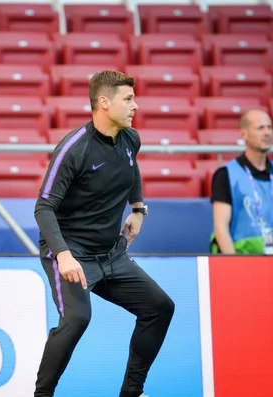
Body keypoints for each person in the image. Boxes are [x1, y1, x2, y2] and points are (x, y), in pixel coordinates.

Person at [33, 70, 175, 397]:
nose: (135, 106)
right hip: (71, 254)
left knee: (160, 308)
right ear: (104, 102)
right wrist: (64, 255)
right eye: (128, 99)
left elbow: (131, 169)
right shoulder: (73, 148)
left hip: (112, 253)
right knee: (77, 320)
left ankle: (132, 393)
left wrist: (138, 208)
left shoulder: (131, 138)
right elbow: (43, 208)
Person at [210, 109, 273, 254]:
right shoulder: (226, 174)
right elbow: (221, 228)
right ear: (243, 134)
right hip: (244, 267)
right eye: (260, 128)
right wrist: (234, 267)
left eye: (269, 127)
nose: (267, 133)